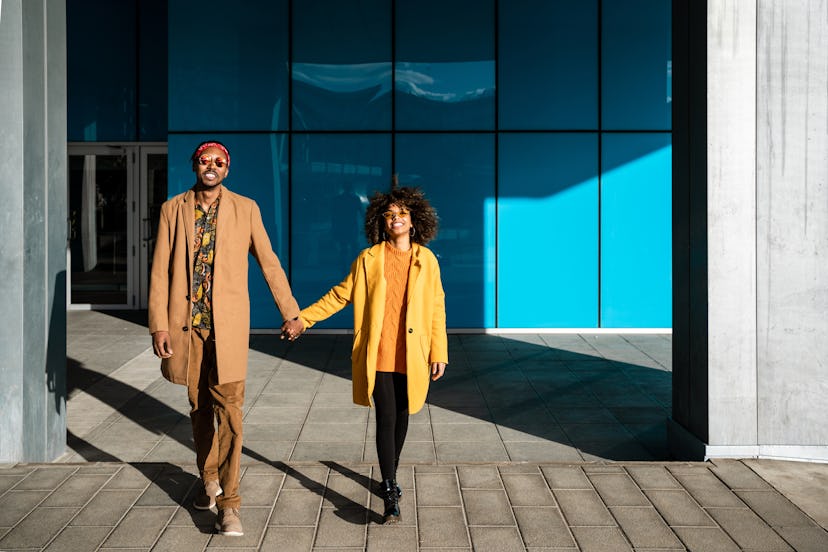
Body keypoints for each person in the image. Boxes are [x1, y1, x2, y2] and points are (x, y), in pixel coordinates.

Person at [148, 140, 303, 537]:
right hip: (188, 330)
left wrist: (290, 311)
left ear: (227, 169)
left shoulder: (245, 208)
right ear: (195, 166)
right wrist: (159, 326)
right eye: (205, 161)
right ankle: (209, 482)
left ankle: (229, 505)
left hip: (228, 332)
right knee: (200, 412)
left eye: (219, 162)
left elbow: (269, 262)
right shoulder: (172, 210)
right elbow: (160, 273)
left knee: (230, 415)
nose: (212, 167)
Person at [290, 178, 448, 524]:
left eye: (403, 213)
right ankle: (390, 488)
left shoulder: (428, 260)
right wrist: (304, 319)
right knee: (387, 416)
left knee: (405, 413)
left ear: (414, 219)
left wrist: (440, 352)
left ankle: (389, 471)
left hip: (413, 352)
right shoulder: (368, 259)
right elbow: (339, 295)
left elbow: (437, 306)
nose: (397, 219)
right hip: (378, 351)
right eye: (390, 214)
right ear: (381, 220)